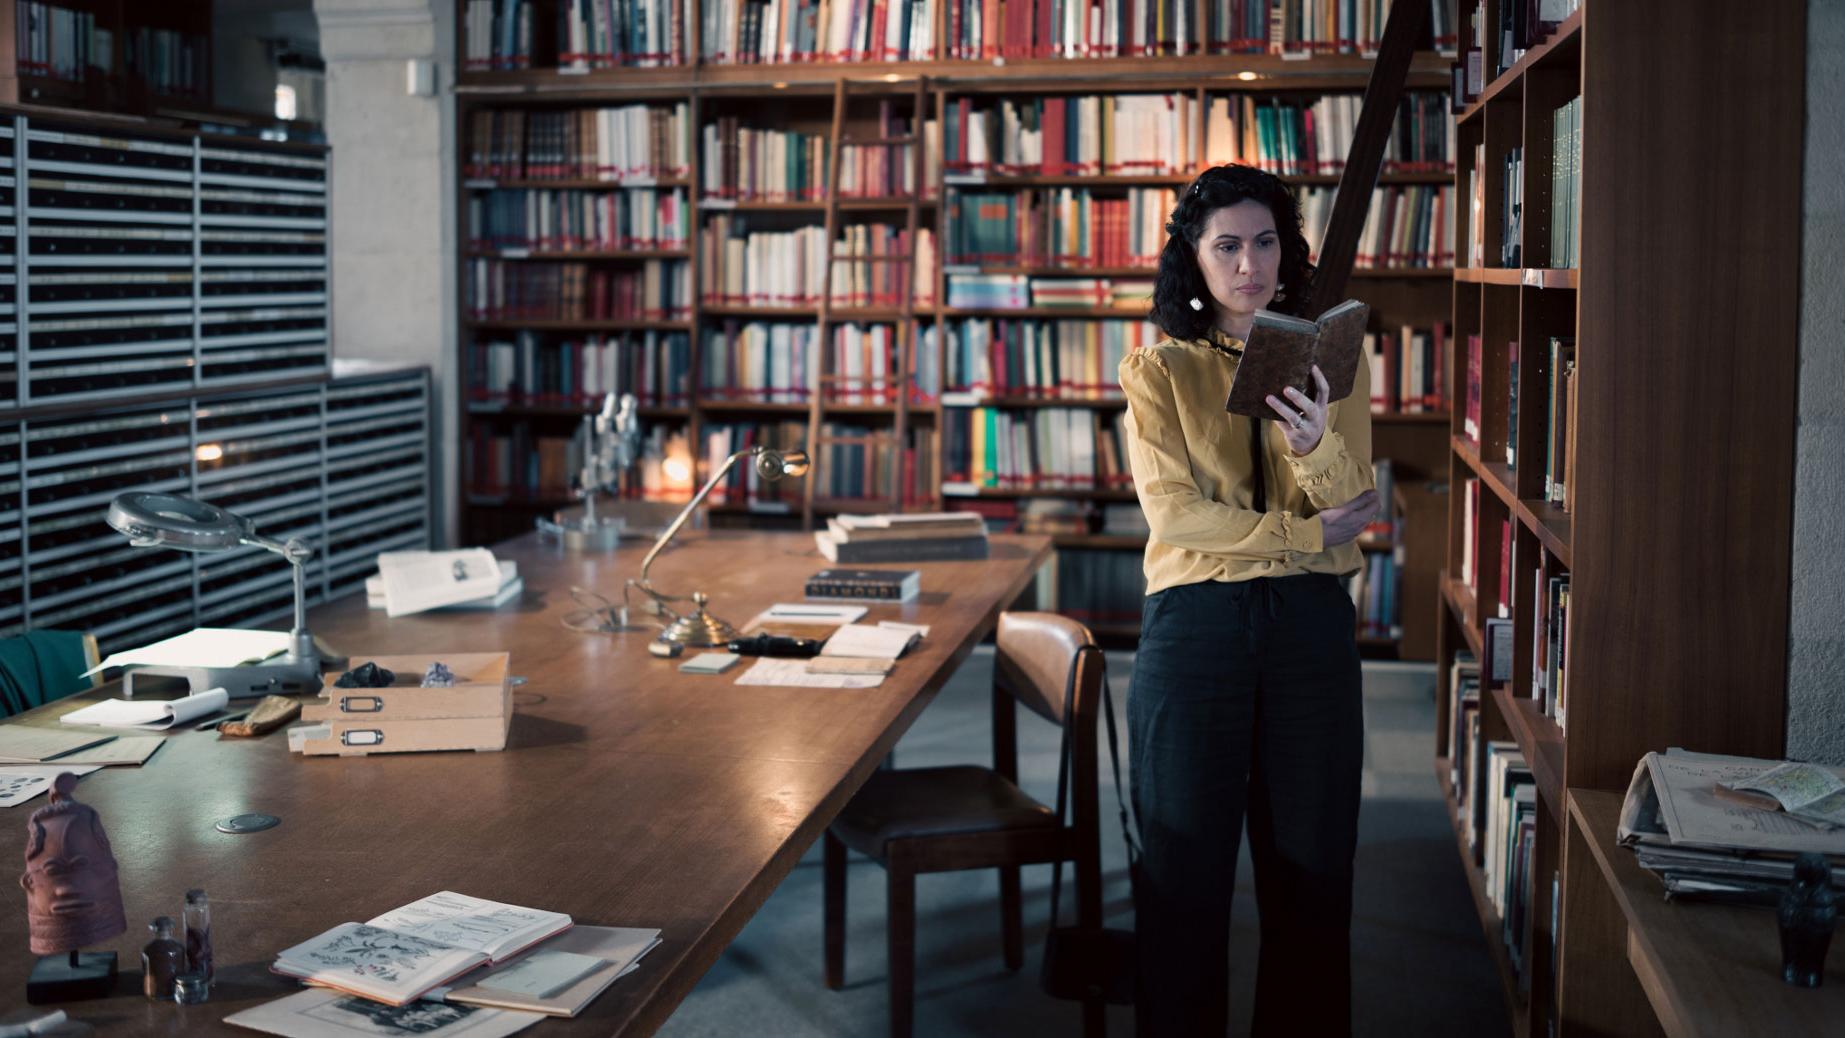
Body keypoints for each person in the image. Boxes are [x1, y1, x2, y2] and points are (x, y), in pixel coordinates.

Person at [1119, 163, 1379, 1036]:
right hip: (1196, 627)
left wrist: (1311, 446)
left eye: (1264, 242)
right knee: (1181, 876)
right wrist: (1304, 534)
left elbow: (1352, 504)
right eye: (1225, 245)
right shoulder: (1158, 370)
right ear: (1192, 258)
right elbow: (1177, 515)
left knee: (1312, 874)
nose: (1247, 264)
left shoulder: (1333, 355)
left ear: (1286, 250)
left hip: (1309, 629)